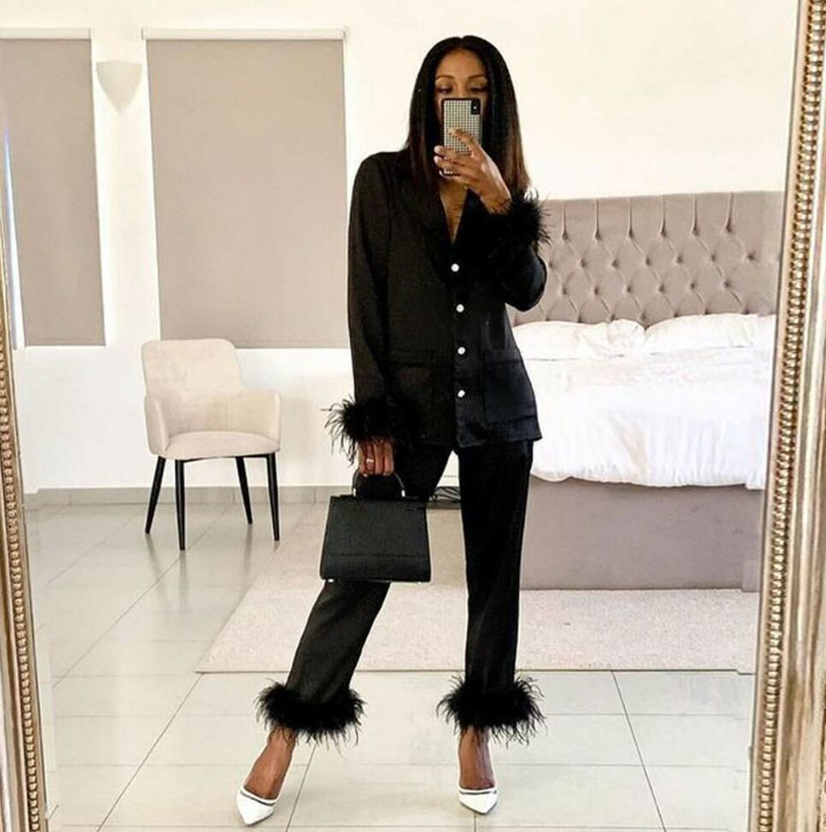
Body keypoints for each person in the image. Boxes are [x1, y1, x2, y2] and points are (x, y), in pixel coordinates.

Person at [236, 34, 551, 825]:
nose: (458, 100)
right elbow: (364, 304)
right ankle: (286, 729)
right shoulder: (380, 180)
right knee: (359, 571)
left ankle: (476, 733)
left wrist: (499, 199)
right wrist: (371, 417)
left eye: (474, 88)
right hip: (407, 411)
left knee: (494, 582)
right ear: (426, 99)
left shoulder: (505, 190)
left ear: (494, 103)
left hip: (497, 404)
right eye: (444, 87)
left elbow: (528, 292)